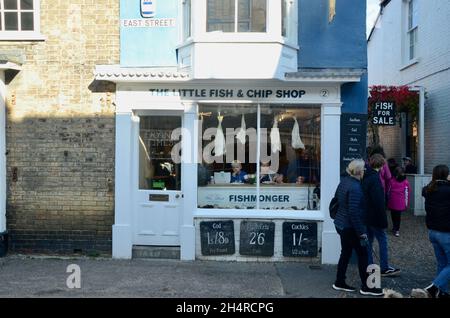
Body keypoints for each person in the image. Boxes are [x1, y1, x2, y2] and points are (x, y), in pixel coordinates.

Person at [332, 159, 384, 296]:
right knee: (363, 255)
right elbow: (354, 212)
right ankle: (367, 287)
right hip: (350, 227)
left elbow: (337, 199)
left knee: (345, 253)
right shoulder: (355, 187)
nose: (365, 171)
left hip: (341, 224)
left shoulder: (344, 181)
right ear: (359, 171)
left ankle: (339, 282)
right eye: (364, 169)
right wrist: (362, 232)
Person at [362, 153, 401, 277]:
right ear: (383, 165)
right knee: (382, 240)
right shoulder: (375, 179)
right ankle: (384, 267)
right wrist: (384, 220)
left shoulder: (365, 176)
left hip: (366, 215)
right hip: (375, 216)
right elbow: (379, 202)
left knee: (369, 241)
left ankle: (369, 267)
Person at [421, 164, 450, 298]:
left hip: (433, 231)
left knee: (442, 264)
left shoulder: (428, 189)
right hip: (446, 232)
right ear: (446, 175)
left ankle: (440, 292)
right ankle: (434, 287)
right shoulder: (448, 189)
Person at [387, 166, 411, 237]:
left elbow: (388, 191)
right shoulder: (405, 182)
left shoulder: (392, 180)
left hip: (393, 202)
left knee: (394, 215)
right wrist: (406, 204)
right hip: (398, 203)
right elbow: (407, 193)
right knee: (397, 216)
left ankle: (396, 228)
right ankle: (396, 229)